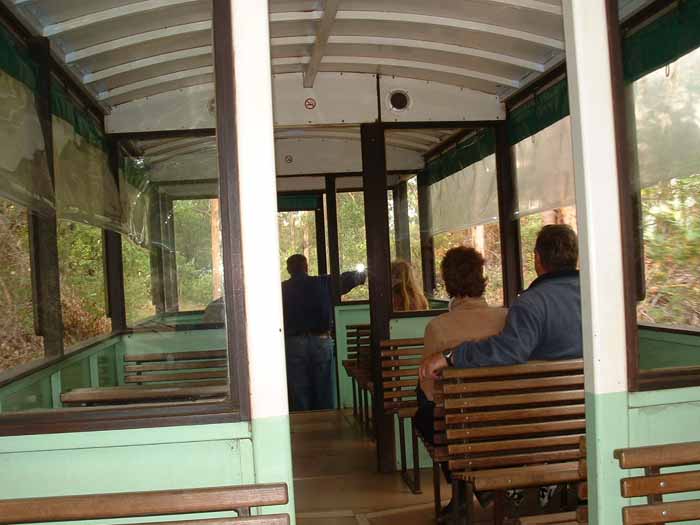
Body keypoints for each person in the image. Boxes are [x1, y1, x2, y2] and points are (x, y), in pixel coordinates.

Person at [419, 224, 582, 515]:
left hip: (527, 424)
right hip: (579, 420)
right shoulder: (599, 296)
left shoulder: (532, 304)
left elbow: (511, 352)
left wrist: (451, 355)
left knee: (427, 409)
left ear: (537, 259)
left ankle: (473, 494)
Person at [413, 247, 507, 522]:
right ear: (481, 277)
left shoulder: (439, 327)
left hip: (461, 426)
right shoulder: (507, 317)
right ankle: (480, 490)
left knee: (425, 412)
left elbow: (429, 390)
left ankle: (462, 490)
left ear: (448, 282)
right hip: (509, 421)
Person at [282, 254, 365, 412]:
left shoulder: (281, 289)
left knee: (299, 391)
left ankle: (302, 426)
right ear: (306, 267)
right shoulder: (323, 283)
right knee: (324, 388)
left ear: (288, 269)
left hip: (293, 343)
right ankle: (326, 424)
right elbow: (350, 279)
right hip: (320, 340)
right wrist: (364, 272)